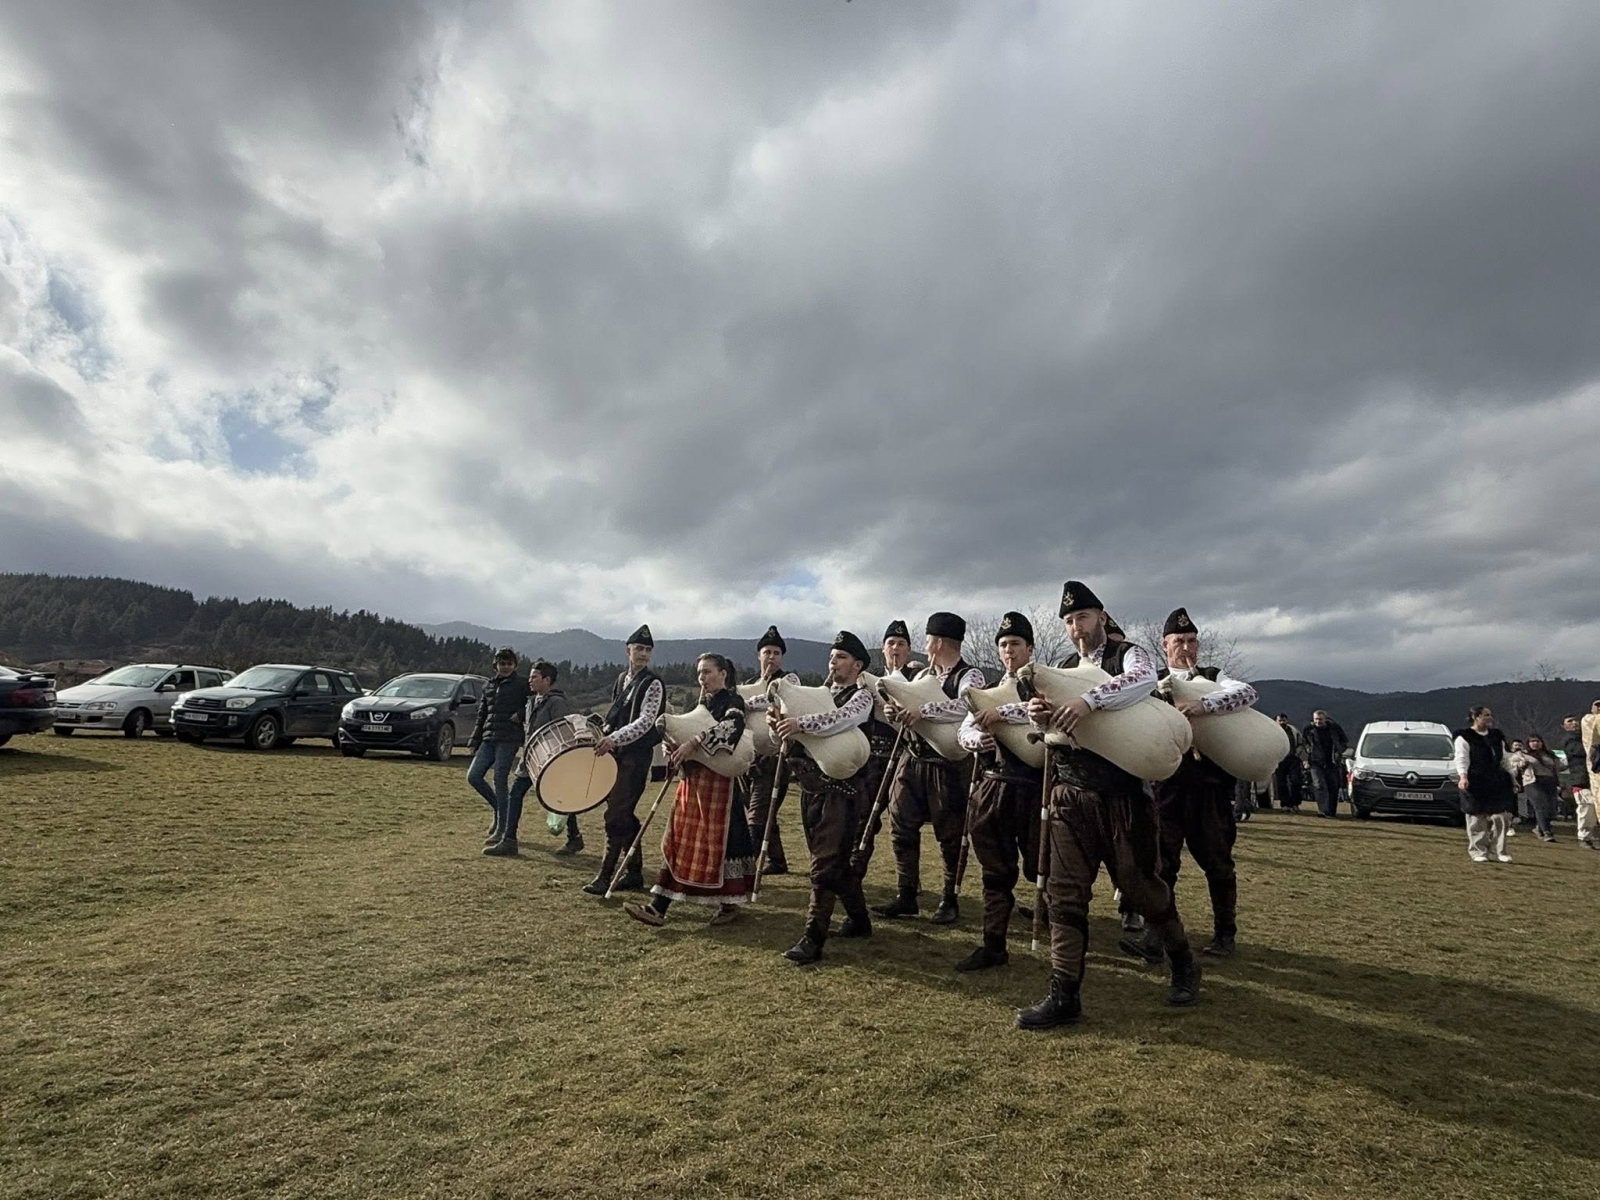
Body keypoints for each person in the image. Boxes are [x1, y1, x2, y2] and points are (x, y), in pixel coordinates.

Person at [1016, 581, 1199, 1031]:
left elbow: (1141, 683)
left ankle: (1183, 963)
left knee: (1142, 887)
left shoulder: (1128, 655)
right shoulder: (1061, 668)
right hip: (1070, 794)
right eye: (1068, 621)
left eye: (1082, 617)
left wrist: (1088, 701)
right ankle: (1064, 994)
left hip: (1122, 797)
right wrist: (1040, 714)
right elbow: (1048, 723)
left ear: (1101, 617)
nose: (1075, 627)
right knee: (1064, 895)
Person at [1145, 607, 1256, 959]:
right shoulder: (1152, 681)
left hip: (1210, 785)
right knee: (1162, 864)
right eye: (1178, 641)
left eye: (1192, 640)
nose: (1186, 647)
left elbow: (1247, 693)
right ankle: (1158, 934)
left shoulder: (1212, 676)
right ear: (1165, 644)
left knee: (1218, 862)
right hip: (1167, 785)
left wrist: (1203, 704)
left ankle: (1225, 933)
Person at [624, 654, 756, 927]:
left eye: (707, 672)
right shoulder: (701, 703)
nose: (702, 678)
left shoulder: (733, 702)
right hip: (693, 782)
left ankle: (727, 903)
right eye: (699, 673)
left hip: (720, 785)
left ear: (723, 674)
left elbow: (732, 727)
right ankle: (659, 906)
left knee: (719, 844)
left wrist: (693, 743)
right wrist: (673, 745)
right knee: (681, 839)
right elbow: (685, 732)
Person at [770, 631, 877, 965]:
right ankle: (860, 920)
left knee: (824, 866)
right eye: (831, 657)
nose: (834, 663)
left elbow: (840, 720)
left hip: (842, 793)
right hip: (810, 789)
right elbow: (784, 740)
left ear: (858, 665)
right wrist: (779, 726)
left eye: (841, 657)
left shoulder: (862, 697)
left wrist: (799, 723)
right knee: (835, 865)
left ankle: (813, 938)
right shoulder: (815, 696)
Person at [873, 612, 986, 926]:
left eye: (927, 640)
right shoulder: (922, 675)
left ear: (937, 643)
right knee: (900, 823)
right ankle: (906, 893)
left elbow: (967, 705)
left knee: (950, 834)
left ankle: (950, 897)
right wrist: (896, 712)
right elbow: (906, 707)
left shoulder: (970, 675)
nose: (925, 646)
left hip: (948, 766)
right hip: (912, 758)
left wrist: (922, 710)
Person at [953, 611, 1042, 972]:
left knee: (1044, 868)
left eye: (1015, 644)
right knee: (995, 871)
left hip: (1037, 788)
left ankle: (1060, 935)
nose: (1008, 650)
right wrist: (979, 740)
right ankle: (993, 945)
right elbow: (963, 731)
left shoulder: (1043, 684)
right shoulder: (985, 691)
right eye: (1003, 645)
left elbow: (1041, 713)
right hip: (995, 785)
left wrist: (1001, 714)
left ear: (1029, 648)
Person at [582, 626, 665, 896]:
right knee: (623, 813)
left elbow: (646, 721)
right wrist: (602, 732)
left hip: (635, 758)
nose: (643, 654)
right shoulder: (622, 680)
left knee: (616, 814)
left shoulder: (653, 683)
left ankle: (606, 874)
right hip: (616, 755)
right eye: (639, 648)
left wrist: (614, 738)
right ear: (628, 650)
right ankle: (634, 873)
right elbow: (616, 716)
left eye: (648, 650)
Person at [486, 660, 576, 858]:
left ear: (547, 680)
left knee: (560, 799)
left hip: (550, 760)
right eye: (530, 677)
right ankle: (509, 840)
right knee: (515, 794)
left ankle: (574, 837)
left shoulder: (556, 703)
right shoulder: (531, 702)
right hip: (530, 759)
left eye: (534, 677)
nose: (530, 680)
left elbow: (563, 731)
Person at [741, 626, 800, 875]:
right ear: (759, 655)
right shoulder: (748, 685)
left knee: (757, 816)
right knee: (764, 812)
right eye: (767, 652)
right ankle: (777, 861)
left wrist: (743, 703)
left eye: (777, 653)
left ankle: (745, 872)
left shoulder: (790, 681)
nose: (772, 657)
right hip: (748, 760)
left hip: (776, 759)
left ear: (782, 657)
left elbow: (773, 698)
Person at [468, 648, 531, 848]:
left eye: (509, 663)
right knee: (473, 776)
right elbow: (482, 713)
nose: (505, 667)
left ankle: (502, 828)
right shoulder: (488, 685)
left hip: (509, 738)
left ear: (515, 665)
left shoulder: (522, 684)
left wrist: (520, 715)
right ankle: (500, 808)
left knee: (500, 779)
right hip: (489, 738)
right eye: (502, 663)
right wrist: (475, 738)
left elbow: (532, 704)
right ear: (495, 665)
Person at [1454, 705, 1516, 864]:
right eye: (1486, 715)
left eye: (1490, 715)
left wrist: (1512, 778)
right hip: (1475, 780)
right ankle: (1478, 851)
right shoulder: (1464, 737)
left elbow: (1505, 759)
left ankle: (1499, 850)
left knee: (1501, 817)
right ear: (1476, 717)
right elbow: (1461, 758)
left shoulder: (1496, 736)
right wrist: (1463, 776)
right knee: (1477, 817)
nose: (1490, 718)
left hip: (1496, 780)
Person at [1510, 734, 1563, 843]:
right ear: (1528, 743)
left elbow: (1559, 768)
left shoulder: (1549, 754)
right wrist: (1522, 764)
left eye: (1538, 741)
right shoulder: (1522, 754)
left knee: (1551, 809)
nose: (1535, 743)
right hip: (1533, 782)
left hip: (1550, 782)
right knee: (1540, 805)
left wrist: (1560, 782)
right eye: (1532, 741)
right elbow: (1512, 766)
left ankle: (1539, 827)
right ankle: (1547, 832)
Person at [1301, 710, 1349, 818]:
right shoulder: (1308, 729)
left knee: (1333, 786)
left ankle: (1331, 811)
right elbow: (1304, 743)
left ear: (1325, 719)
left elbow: (1344, 741)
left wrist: (1339, 751)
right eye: (1316, 719)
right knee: (1319, 785)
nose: (1318, 721)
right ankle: (1323, 810)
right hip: (1315, 762)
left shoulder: (1335, 728)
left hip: (1332, 762)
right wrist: (1307, 755)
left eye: (1320, 719)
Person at [1560, 714, 1598, 850]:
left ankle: (1589, 836)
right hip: (1581, 779)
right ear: (1564, 726)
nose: (1574, 723)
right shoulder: (1569, 740)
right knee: (1587, 808)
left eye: (1576, 720)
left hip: (1593, 778)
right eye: (1570, 721)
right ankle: (1584, 836)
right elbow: (1582, 751)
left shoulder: (1587, 737)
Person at [1270, 715, 1305, 811]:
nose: (1282, 722)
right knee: (1281, 783)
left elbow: (1301, 743)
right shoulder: (1272, 731)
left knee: (1296, 781)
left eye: (1284, 720)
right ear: (1276, 721)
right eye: (1280, 720)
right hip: (1279, 760)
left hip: (1293, 759)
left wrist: (1297, 754)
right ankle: (1285, 804)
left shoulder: (1293, 730)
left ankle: (1295, 803)